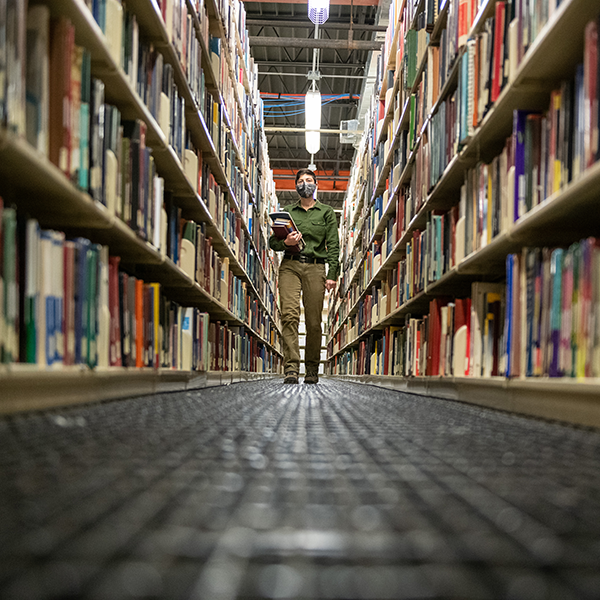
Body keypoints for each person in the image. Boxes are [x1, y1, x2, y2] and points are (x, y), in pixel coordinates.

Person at [269, 169, 340, 384]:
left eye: (309, 180)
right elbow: (272, 243)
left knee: (313, 322)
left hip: (316, 267)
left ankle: (311, 369)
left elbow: (334, 245)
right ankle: (291, 368)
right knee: (289, 316)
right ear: (296, 186)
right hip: (290, 265)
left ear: (316, 184)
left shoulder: (326, 212)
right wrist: (286, 243)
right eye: (300, 181)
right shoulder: (287, 212)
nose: (305, 184)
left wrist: (332, 273)